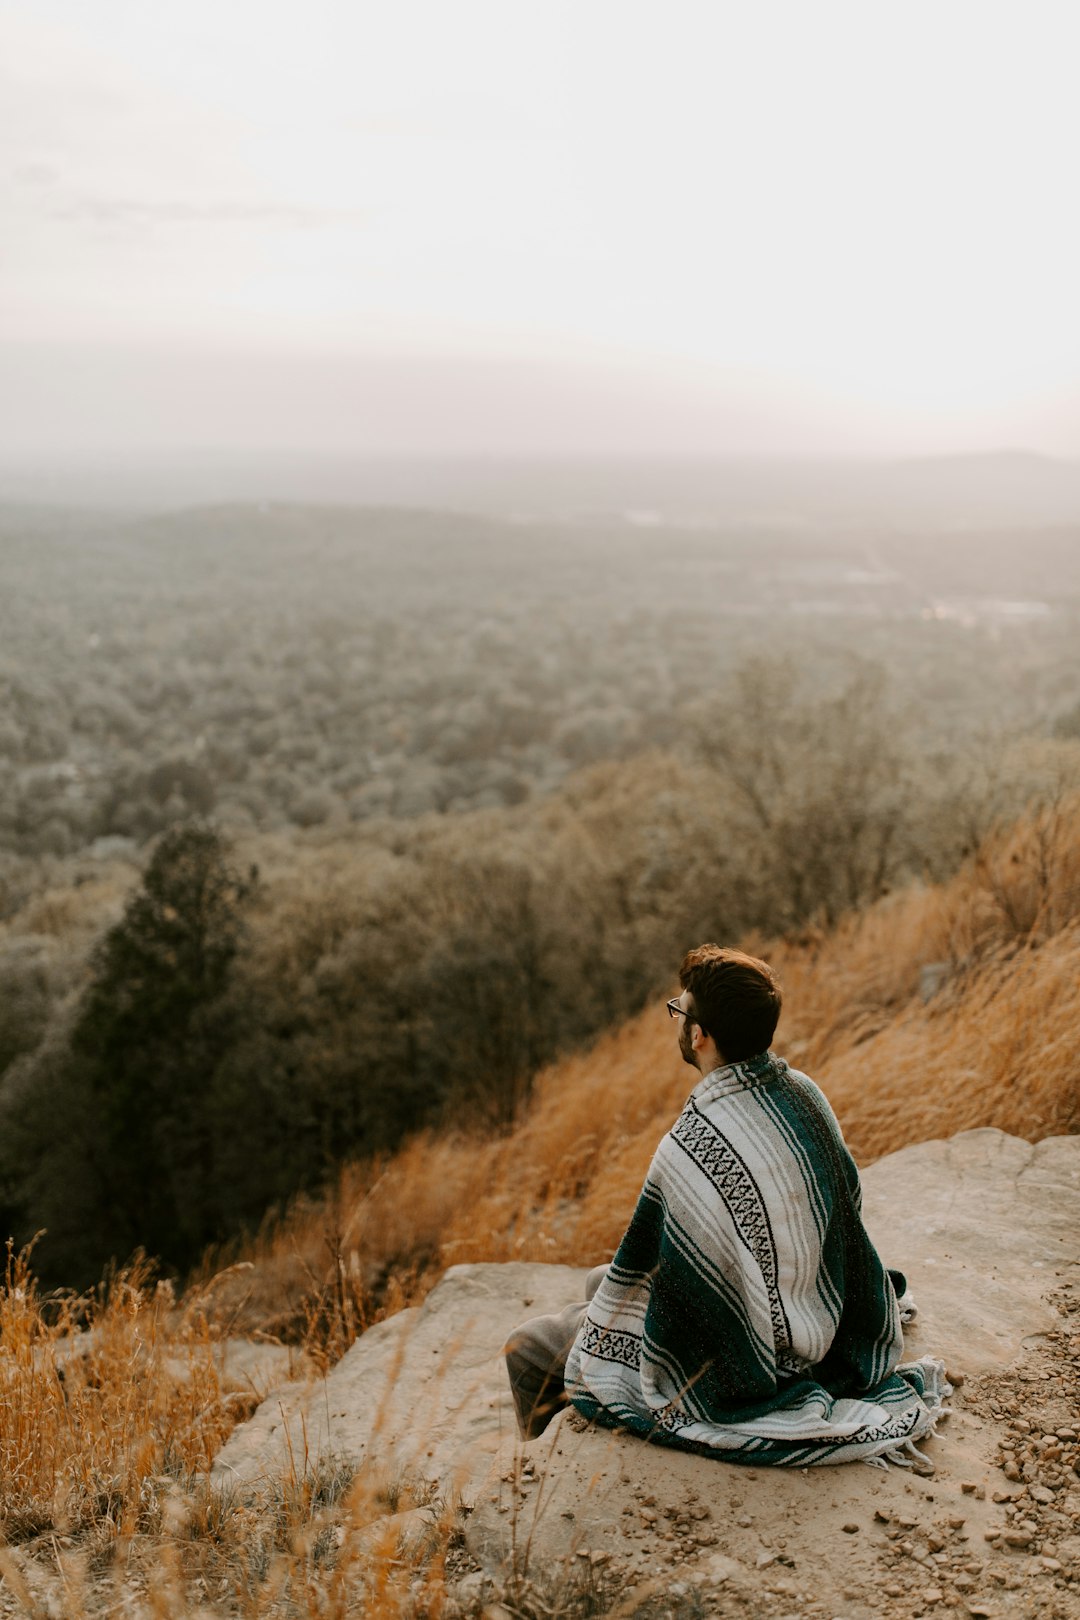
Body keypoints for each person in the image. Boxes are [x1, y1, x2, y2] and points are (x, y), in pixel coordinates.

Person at [503, 944, 948, 1466]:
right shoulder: (806, 1094)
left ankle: (544, 1475)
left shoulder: (692, 1146)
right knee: (601, 1281)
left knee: (527, 1347)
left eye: (681, 1010)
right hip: (817, 1308)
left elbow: (668, 1273)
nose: (679, 1018)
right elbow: (847, 1211)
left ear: (699, 1034)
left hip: (756, 1356)